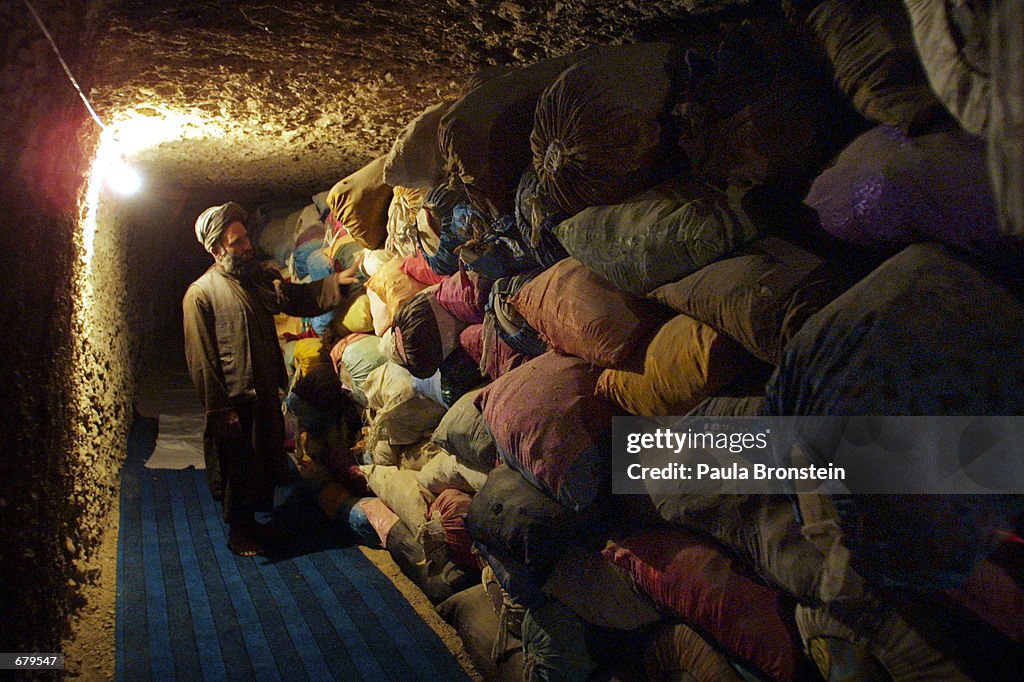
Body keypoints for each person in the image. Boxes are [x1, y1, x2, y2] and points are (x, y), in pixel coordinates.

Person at [183, 201, 360, 556]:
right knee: (237, 462)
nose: (247, 246)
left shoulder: (257, 280)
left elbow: (295, 298)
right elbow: (202, 359)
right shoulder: (201, 294)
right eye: (237, 242)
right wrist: (219, 409)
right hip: (235, 397)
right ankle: (239, 532)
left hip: (262, 387)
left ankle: (255, 524)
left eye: (246, 238)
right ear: (217, 249)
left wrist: (335, 284)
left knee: (262, 457)